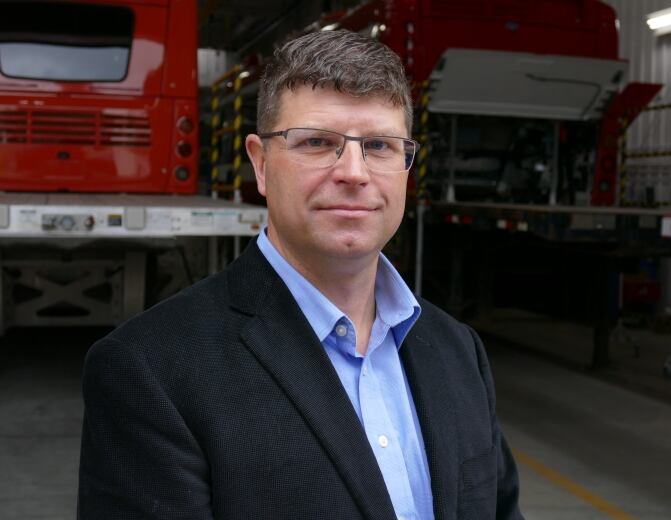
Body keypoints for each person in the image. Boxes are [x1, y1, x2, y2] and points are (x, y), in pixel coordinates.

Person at [78, 29, 522, 519]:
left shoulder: (459, 349)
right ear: (260, 163)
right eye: (316, 141)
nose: (354, 172)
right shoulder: (150, 371)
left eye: (378, 145)